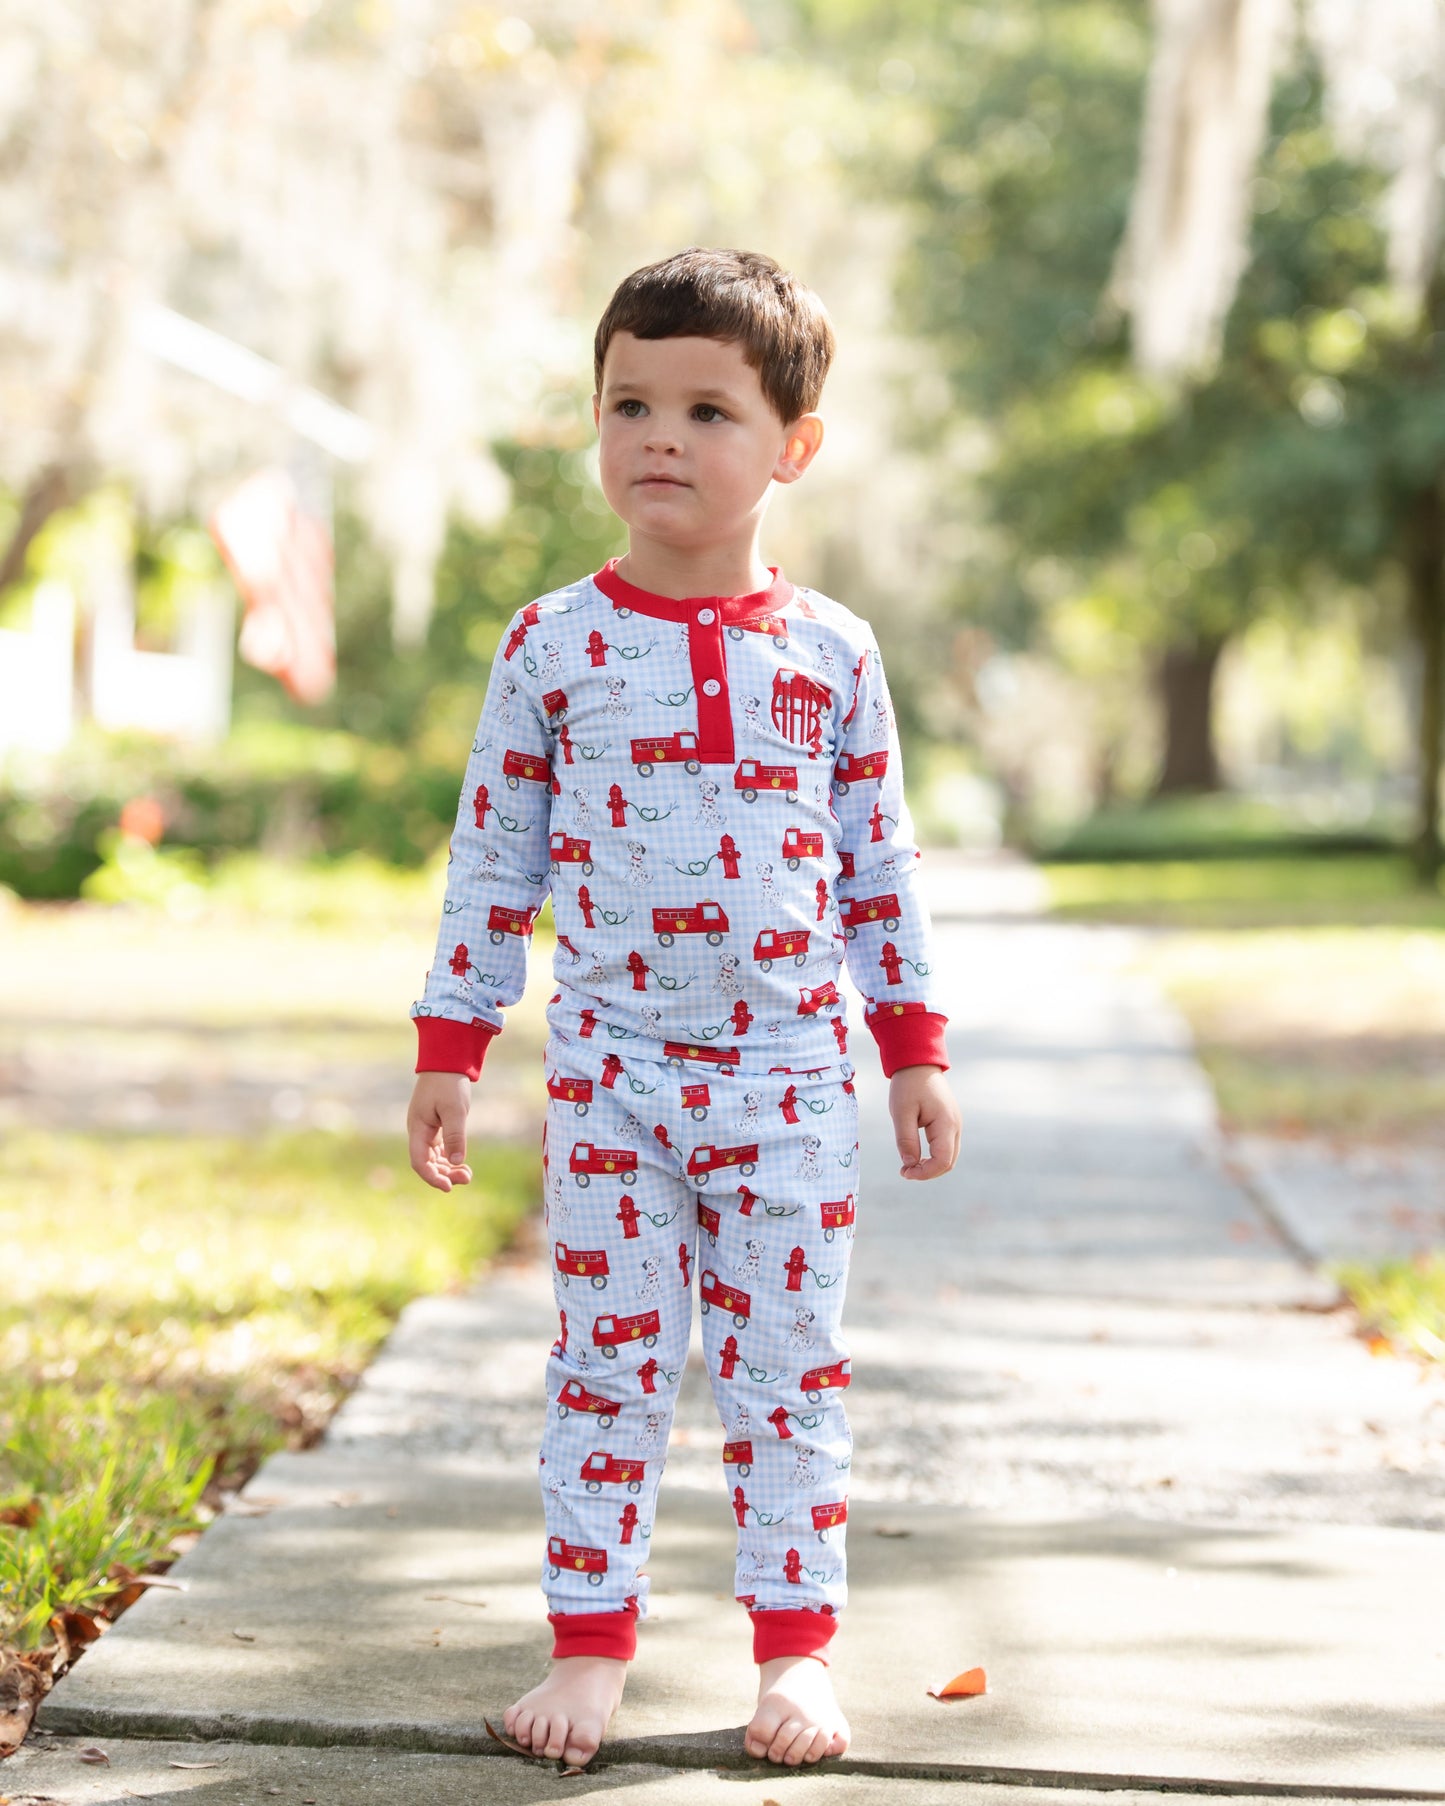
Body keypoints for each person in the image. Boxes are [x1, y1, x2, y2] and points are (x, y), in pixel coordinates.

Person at [407, 247, 961, 1772]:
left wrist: (907, 1046)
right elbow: (491, 859)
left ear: (792, 447)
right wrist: (450, 1044)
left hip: (786, 1078)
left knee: (787, 1363)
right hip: (611, 1080)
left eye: (706, 410)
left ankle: (796, 1651)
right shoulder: (550, 645)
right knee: (607, 1356)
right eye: (627, 402)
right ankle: (589, 1644)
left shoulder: (832, 653)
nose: (657, 434)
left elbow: (875, 865)